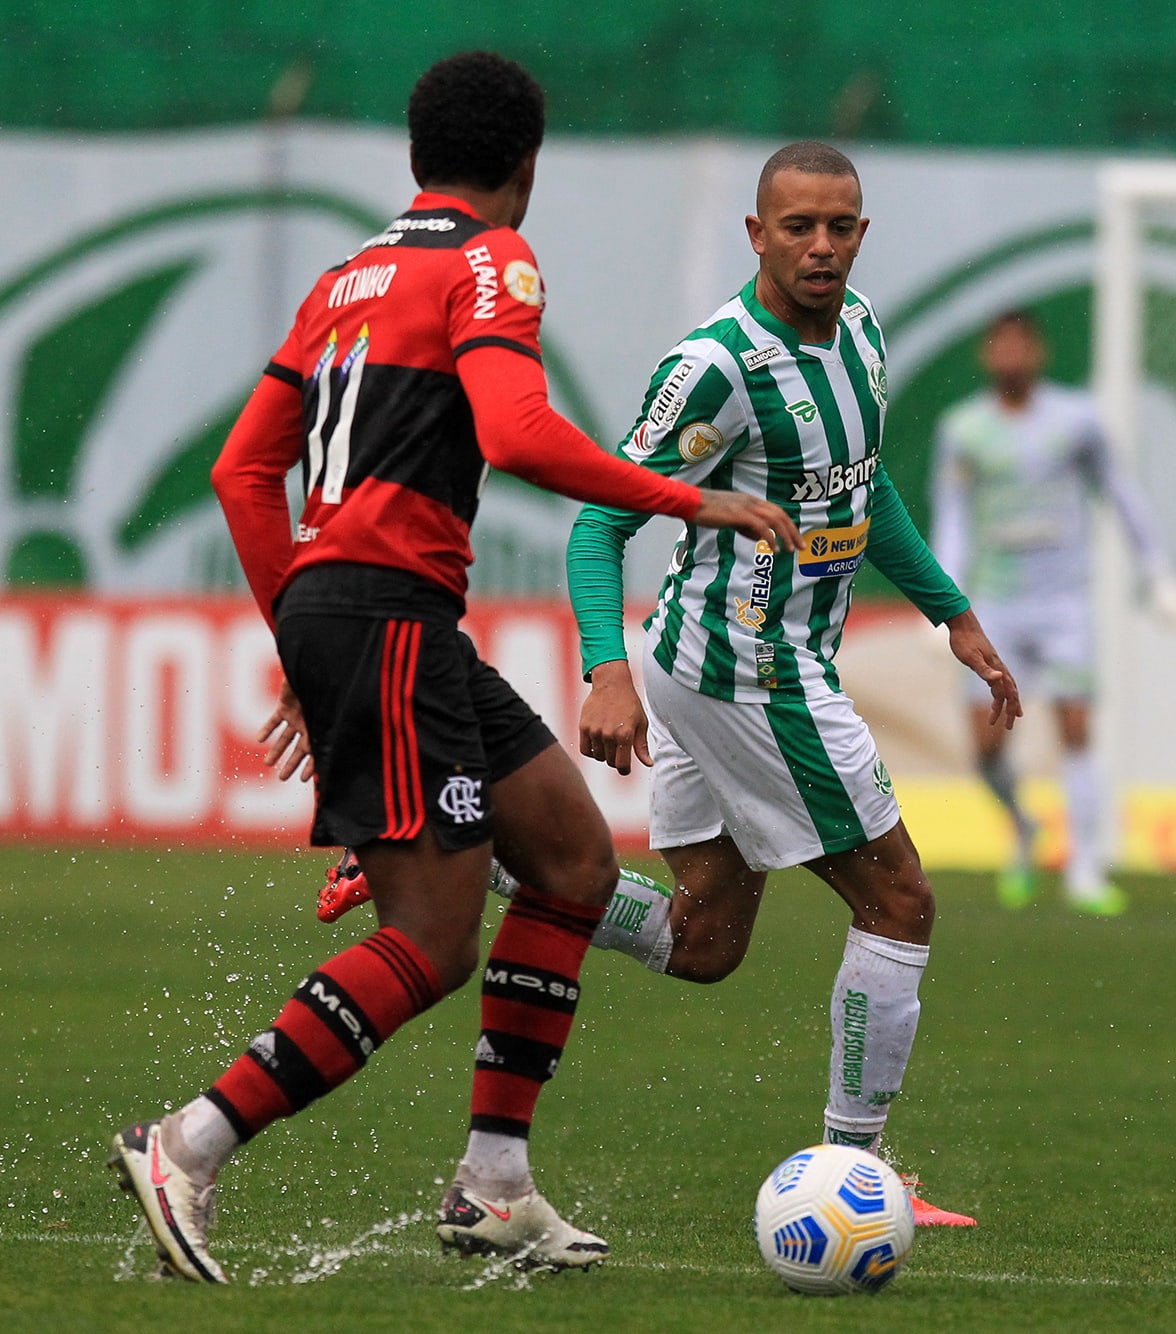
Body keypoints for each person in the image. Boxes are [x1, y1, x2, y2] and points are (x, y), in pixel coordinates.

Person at [106, 51, 795, 1283]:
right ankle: (191, 1142)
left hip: (376, 615)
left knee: (575, 862)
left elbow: (240, 472)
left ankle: (492, 1182)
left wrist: (304, 630)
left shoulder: (342, 280)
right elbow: (516, 432)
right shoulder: (492, 257)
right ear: (526, 164)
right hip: (383, 615)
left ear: (416, 154)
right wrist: (688, 500)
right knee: (429, 940)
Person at [569, 140, 1014, 1228]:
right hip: (746, 669)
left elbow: (866, 487)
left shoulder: (859, 331)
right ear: (758, 234)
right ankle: (856, 1171)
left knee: (703, 942)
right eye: (799, 226)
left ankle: (482, 851)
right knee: (899, 898)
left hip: (729, 664)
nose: (822, 246)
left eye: (841, 225)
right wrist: (601, 668)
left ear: (861, 232)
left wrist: (949, 611)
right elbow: (599, 519)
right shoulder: (718, 366)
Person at [930, 310, 1176, 915]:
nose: (1011, 356)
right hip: (994, 602)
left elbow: (1123, 495)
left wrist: (1158, 573)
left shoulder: (1077, 422)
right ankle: (1024, 829)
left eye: (1022, 344)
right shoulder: (965, 429)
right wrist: (944, 599)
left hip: (1064, 602)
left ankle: (1085, 869)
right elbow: (951, 516)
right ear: (985, 356)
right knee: (987, 749)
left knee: (1077, 728)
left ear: (1040, 353)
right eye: (1000, 346)